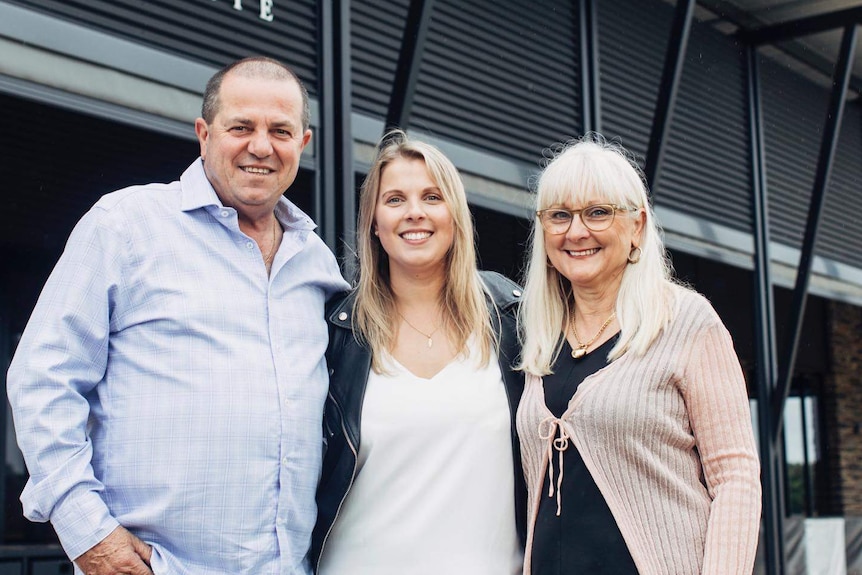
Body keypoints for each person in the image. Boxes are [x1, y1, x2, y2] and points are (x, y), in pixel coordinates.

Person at [6, 56, 349, 575]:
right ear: (204, 134)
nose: (261, 146)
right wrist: (90, 536)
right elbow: (42, 379)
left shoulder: (316, 263)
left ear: (302, 144)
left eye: (280, 130)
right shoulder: (126, 225)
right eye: (241, 127)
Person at [516, 134, 761, 574]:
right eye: (559, 215)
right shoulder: (537, 334)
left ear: (637, 226)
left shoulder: (686, 320)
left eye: (597, 213)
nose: (576, 231)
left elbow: (736, 478)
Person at [311, 130, 526, 574]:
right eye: (394, 200)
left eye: (432, 197)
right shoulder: (333, 333)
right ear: (373, 220)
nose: (414, 213)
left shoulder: (512, 320)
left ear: (456, 214)